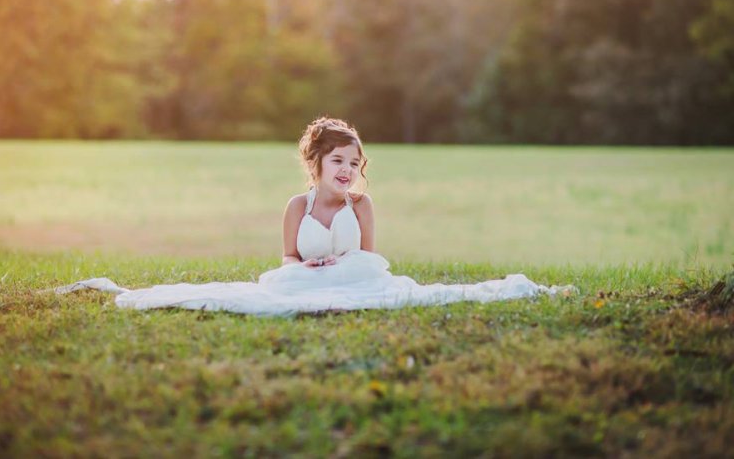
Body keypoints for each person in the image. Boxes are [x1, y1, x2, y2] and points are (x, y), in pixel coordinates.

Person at [55, 117, 573, 316]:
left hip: (356, 278)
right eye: (337, 162)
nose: (347, 171)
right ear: (316, 163)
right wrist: (305, 269)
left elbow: (371, 260)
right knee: (259, 293)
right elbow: (285, 256)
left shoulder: (361, 205)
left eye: (354, 163)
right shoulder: (296, 207)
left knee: (388, 285)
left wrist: (342, 268)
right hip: (302, 282)